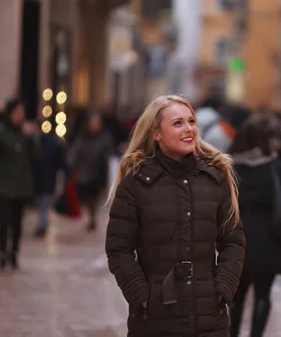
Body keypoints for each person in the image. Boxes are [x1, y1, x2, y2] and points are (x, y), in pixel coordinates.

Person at [105, 95, 246, 336]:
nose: (189, 128)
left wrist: (223, 288)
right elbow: (119, 249)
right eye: (178, 123)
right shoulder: (136, 184)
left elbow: (233, 240)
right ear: (156, 133)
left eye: (191, 121)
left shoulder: (215, 178)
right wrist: (141, 296)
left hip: (209, 317)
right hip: (155, 318)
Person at [228, 121, 281, 337]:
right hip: (269, 238)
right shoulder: (274, 166)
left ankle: (233, 333)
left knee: (236, 297)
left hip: (236, 240)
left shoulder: (229, 168)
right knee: (263, 294)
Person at [0, 99, 40, 271]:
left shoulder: (26, 133)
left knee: (17, 222)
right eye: (17, 112)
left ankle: (13, 253)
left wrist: (32, 137)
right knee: (4, 220)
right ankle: (2, 252)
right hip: (3, 183)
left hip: (21, 185)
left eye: (22, 112)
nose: (20, 116)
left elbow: (37, 156)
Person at [68, 112, 115, 231]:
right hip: (84, 171)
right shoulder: (83, 137)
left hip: (99, 173)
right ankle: (91, 215)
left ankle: (92, 218)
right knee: (86, 196)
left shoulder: (105, 137)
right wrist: (72, 166)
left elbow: (110, 155)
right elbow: (75, 152)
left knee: (94, 197)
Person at [33, 120, 68, 237]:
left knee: (43, 203)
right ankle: (42, 224)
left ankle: (42, 225)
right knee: (44, 203)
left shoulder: (40, 143)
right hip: (47, 178)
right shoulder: (53, 143)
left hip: (43, 178)